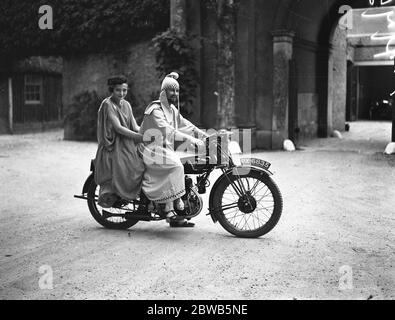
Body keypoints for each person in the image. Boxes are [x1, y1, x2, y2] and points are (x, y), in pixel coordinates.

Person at [139, 72, 207, 227]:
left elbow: (187, 126)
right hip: (151, 150)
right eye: (171, 90)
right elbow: (169, 131)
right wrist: (193, 141)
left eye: (177, 90)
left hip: (165, 149)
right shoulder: (155, 110)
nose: (175, 93)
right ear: (164, 92)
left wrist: (205, 136)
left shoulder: (172, 110)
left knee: (189, 161)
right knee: (176, 166)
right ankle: (169, 209)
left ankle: (180, 210)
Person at [94, 75, 145, 208]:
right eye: (118, 90)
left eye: (124, 90)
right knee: (136, 167)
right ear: (112, 90)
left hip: (127, 143)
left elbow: (134, 126)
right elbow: (118, 128)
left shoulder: (126, 104)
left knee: (149, 160)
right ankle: (125, 196)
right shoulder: (107, 104)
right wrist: (137, 137)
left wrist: (146, 133)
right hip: (114, 146)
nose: (122, 94)